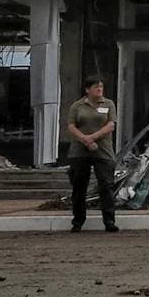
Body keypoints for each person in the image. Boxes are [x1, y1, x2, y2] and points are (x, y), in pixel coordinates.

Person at [63, 77, 118, 232]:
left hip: (103, 150)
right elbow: (71, 126)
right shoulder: (77, 106)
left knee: (106, 185)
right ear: (87, 89)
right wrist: (85, 140)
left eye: (101, 86)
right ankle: (78, 221)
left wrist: (94, 137)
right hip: (80, 151)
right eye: (96, 87)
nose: (99, 89)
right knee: (79, 186)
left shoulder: (108, 104)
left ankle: (109, 221)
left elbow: (111, 125)